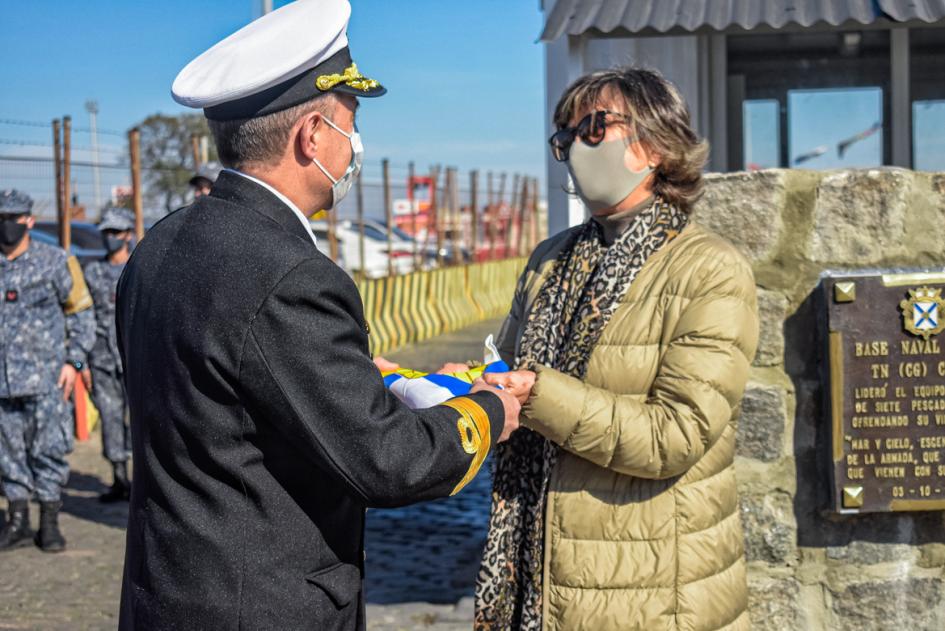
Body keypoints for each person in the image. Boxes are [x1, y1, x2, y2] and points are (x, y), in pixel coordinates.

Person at [116, 1, 520, 629]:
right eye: (350, 125)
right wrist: (491, 410)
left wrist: (368, 380)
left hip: (167, 595)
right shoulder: (293, 274)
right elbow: (389, 461)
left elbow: (233, 401)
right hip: (263, 606)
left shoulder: (158, 245)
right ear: (311, 136)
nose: (356, 145)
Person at [474, 67, 760, 630]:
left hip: (651, 594)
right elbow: (504, 371)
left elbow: (674, 436)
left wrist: (538, 395)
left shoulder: (710, 269)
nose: (574, 145)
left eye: (594, 127)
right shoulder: (549, 259)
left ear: (653, 143)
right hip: (539, 578)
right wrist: (450, 385)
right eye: (565, 135)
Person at [0, 189, 95, 553]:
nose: (7, 226)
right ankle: (18, 520)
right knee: (8, 453)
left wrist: (75, 362)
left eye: (14, 218)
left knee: (48, 449)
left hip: (46, 379)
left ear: (29, 220)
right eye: (2, 219)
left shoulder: (56, 262)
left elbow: (82, 314)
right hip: (3, 383)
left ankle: (49, 522)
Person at [83, 206, 135, 502]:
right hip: (102, 359)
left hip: (137, 359)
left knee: (142, 419)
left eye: (115, 233)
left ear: (128, 234)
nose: (110, 238)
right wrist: (81, 363)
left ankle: (145, 479)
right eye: (106, 233)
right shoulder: (94, 272)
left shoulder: (140, 266)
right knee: (110, 417)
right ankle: (119, 478)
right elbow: (83, 319)